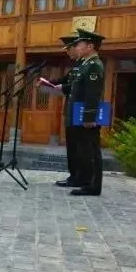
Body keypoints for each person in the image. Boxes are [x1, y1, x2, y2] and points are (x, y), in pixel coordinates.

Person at [67, 29, 106, 197]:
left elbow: (93, 94)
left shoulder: (94, 65)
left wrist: (89, 117)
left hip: (87, 116)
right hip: (80, 114)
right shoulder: (85, 65)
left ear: (90, 46)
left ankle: (93, 186)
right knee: (84, 150)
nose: (77, 47)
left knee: (91, 151)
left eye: (80, 44)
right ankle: (86, 181)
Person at [50, 35, 82, 188]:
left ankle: (79, 177)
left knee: (77, 146)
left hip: (79, 112)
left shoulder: (85, 66)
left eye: (69, 49)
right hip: (70, 110)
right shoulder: (76, 66)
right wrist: (48, 83)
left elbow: (77, 87)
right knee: (71, 146)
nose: (67, 52)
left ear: (77, 48)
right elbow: (65, 80)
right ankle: (73, 175)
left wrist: (62, 87)